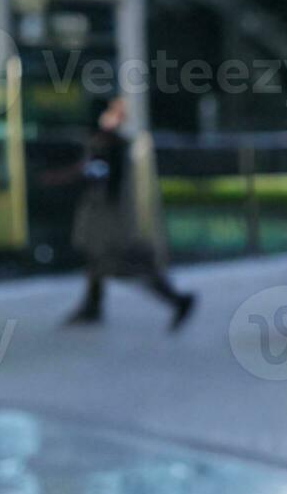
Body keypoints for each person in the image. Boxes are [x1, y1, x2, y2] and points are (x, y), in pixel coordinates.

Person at [62, 96, 194, 330]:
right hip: (104, 220)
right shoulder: (105, 143)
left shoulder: (114, 145)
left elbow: (107, 181)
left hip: (113, 222)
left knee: (126, 264)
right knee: (97, 262)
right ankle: (92, 305)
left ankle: (176, 300)